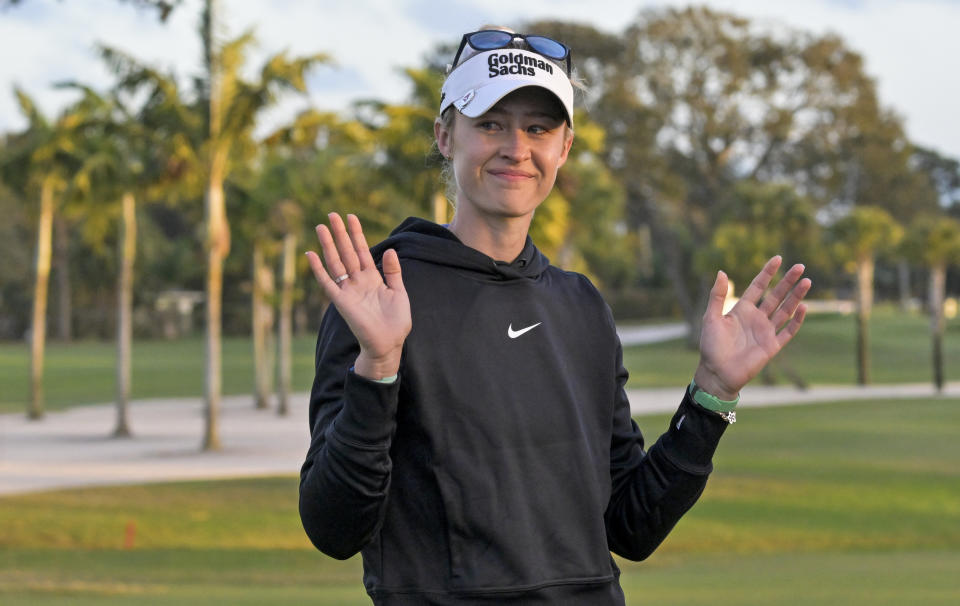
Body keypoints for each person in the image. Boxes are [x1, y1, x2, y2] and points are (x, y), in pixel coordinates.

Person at [299, 28, 811, 605]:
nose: (516, 147)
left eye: (538, 128)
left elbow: (630, 528)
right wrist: (379, 364)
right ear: (446, 136)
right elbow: (334, 528)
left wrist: (713, 396)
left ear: (563, 149)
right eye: (491, 123)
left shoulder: (581, 305)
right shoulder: (381, 294)